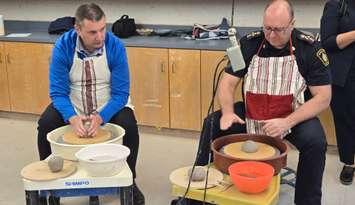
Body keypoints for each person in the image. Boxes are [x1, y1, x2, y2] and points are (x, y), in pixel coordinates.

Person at [172, 1, 331, 205]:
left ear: (292, 24)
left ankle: (307, 201)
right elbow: (227, 83)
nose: (272, 35)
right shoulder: (249, 44)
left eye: (279, 30)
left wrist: (287, 122)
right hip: (251, 113)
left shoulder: (309, 48)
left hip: (291, 116)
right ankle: (196, 195)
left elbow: (323, 97)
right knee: (213, 122)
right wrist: (228, 112)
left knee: (315, 142)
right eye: (268, 28)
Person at [37, 3, 144, 204]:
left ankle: (130, 182)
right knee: (46, 124)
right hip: (74, 103)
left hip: (108, 103)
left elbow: (121, 93)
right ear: (78, 29)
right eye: (93, 32)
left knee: (129, 125)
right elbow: (58, 93)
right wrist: (72, 117)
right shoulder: (63, 46)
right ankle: (48, 187)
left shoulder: (115, 46)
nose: (100, 37)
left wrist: (101, 117)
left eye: (103, 29)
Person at [321, 0, 355, 185]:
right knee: (346, 120)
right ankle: (349, 162)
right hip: (345, 74)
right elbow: (327, 42)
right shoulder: (336, 4)